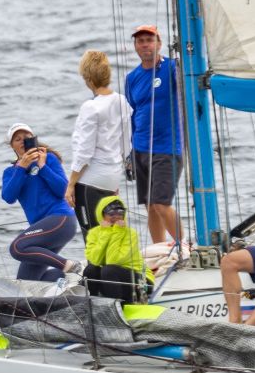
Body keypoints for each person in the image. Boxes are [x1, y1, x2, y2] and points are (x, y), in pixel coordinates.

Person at [126, 24, 182, 247]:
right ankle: (160, 250)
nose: (145, 44)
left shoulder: (172, 68)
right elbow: (132, 114)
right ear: (135, 46)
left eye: (149, 40)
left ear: (159, 43)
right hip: (140, 148)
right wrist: (130, 153)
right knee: (149, 205)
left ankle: (182, 246)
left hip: (167, 147)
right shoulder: (132, 78)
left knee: (161, 203)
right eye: (140, 41)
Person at [0, 123, 76, 283]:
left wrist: (42, 166)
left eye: (26, 138)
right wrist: (22, 168)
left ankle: (69, 266)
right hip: (43, 229)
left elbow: (63, 190)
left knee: (17, 247)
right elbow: (8, 197)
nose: (22, 141)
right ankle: (64, 282)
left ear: (34, 139)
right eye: (17, 139)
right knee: (26, 283)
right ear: (12, 146)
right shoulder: (11, 171)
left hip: (60, 219)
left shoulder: (49, 159)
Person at [68, 49, 132, 235]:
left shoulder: (91, 107)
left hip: (90, 181)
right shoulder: (122, 101)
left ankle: (95, 265)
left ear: (87, 77)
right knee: (110, 235)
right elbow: (126, 145)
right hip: (111, 178)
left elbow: (84, 151)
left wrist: (71, 184)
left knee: (93, 238)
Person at [82, 195, 150, 302]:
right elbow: (94, 260)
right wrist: (106, 232)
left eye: (120, 212)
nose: (117, 216)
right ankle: (92, 304)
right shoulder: (94, 233)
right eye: (111, 213)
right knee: (91, 269)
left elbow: (113, 260)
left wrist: (117, 232)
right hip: (114, 278)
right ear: (102, 215)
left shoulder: (130, 233)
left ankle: (116, 307)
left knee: (108, 270)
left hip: (140, 281)